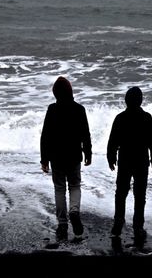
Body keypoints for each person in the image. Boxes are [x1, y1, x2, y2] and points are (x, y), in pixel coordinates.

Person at [40, 76, 92, 242]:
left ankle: (62, 224)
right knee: (75, 185)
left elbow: (45, 136)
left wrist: (44, 159)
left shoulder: (52, 109)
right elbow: (86, 134)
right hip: (74, 155)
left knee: (59, 188)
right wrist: (88, 153)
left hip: (56, 157)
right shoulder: (79, 109)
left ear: (55, 94)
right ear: (71, 91)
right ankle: (74, 211)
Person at [107, 86, 152, 246]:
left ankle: (118, 221)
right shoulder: (146, 117)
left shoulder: (120, 118)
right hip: (141, 160)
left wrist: (111, 157)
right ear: (141, 100)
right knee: (140, 194)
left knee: (121, 192)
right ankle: (138, 226)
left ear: (126, 101)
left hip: (125, 159)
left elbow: (112, 142)